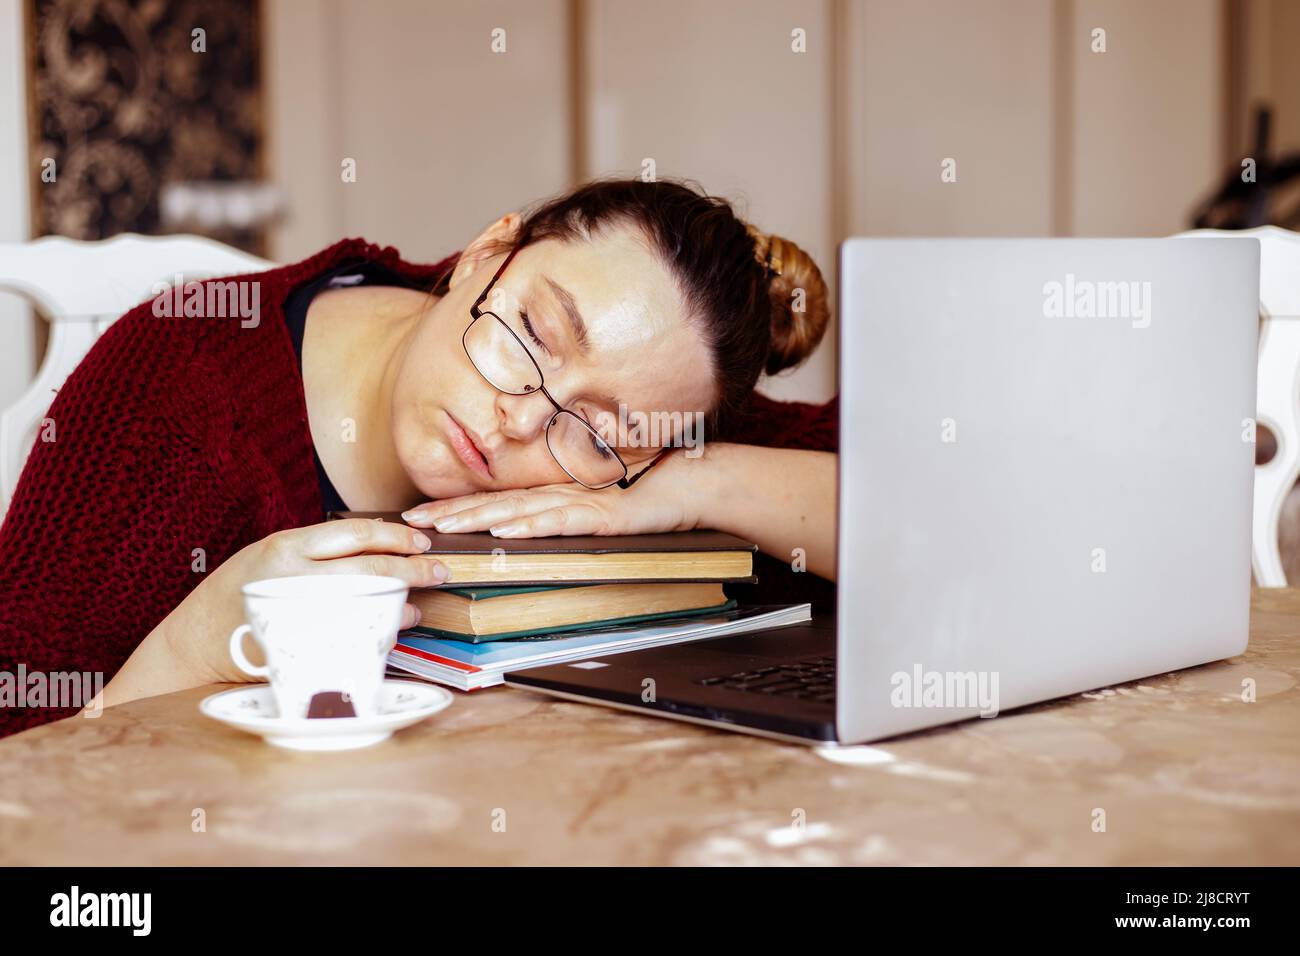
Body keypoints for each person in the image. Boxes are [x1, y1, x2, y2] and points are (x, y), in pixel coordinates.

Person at [0, 178, 837, 737]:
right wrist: (201, 643)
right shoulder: (186, 389)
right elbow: (21, 757)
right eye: (534, 334)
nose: (517, 420)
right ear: (486, 254)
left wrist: (702, 480)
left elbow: (943, 515)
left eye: (595, 431)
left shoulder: (652, 428)